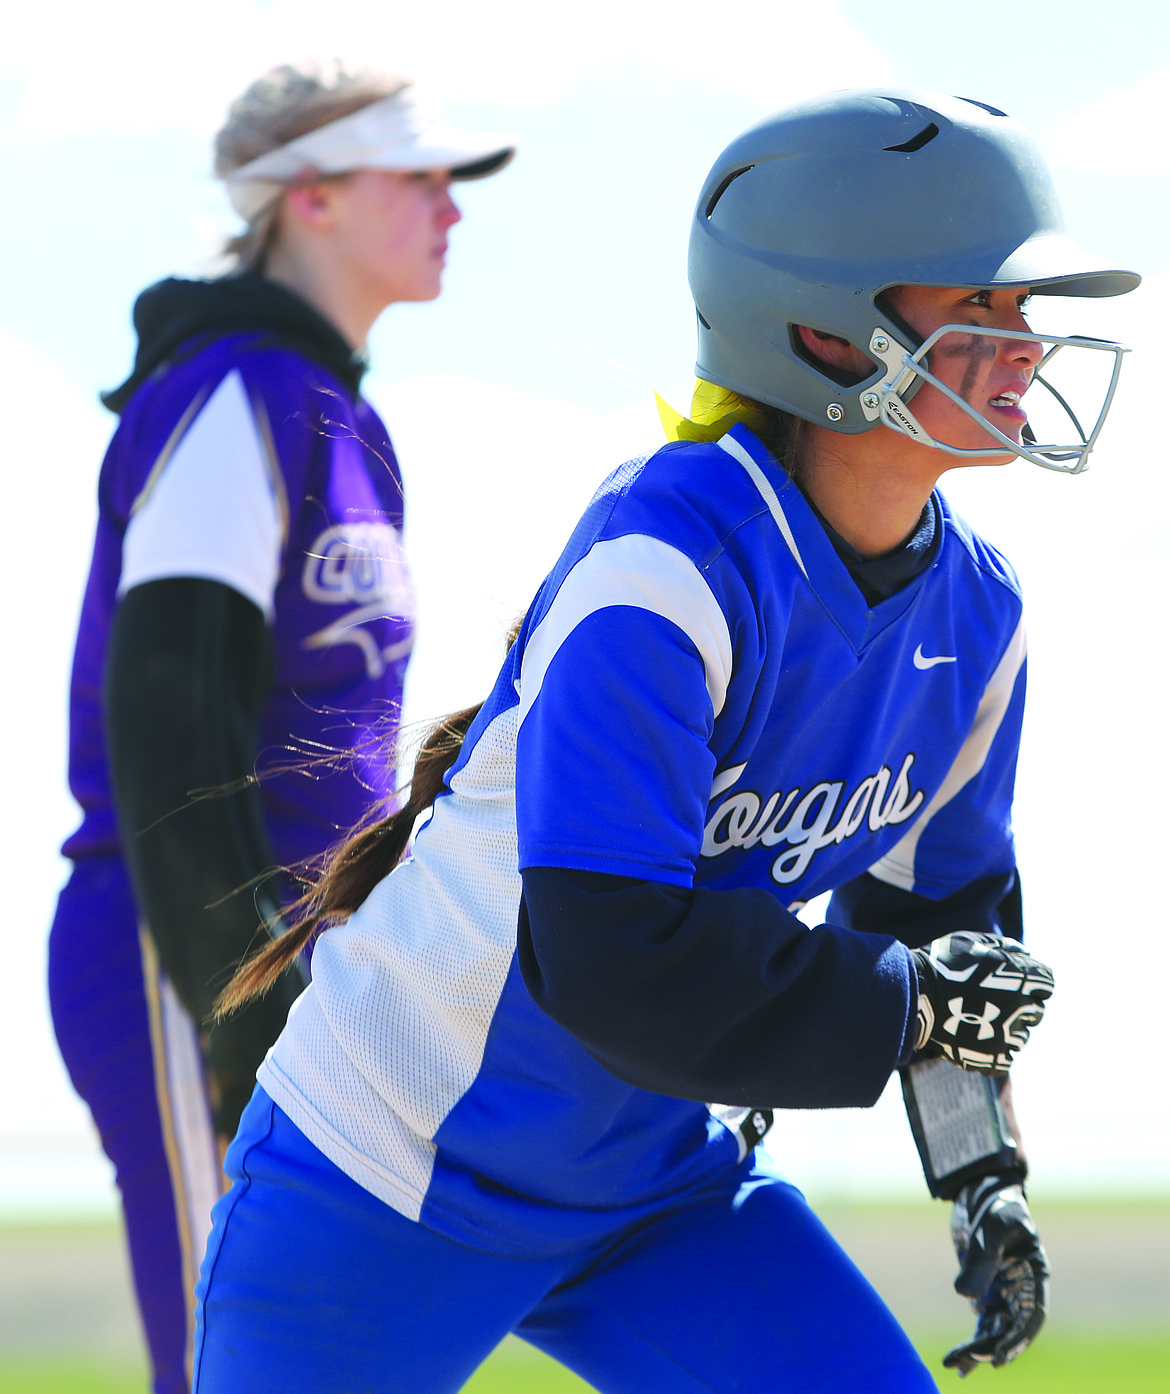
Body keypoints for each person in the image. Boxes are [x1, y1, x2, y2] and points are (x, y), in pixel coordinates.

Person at [193, 89, 1137, 1393]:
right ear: (821, 330)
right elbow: (614, 965)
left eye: (1024, 307)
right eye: (980, 303)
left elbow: (944, 941)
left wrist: (983, 1174)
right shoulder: (666, 562)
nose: (1025, 343)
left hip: (649, 1187)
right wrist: (903, 1006)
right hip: (384, 1166)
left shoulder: (979, 616)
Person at [48, 59, 514, 1394]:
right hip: (184, 949)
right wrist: (240, 997)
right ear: (307, 194)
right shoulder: (233, 387)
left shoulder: (335, 410)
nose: (451, 209)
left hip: (305, 966)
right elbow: (168, 708)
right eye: (418, 177)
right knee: (232, 1364)